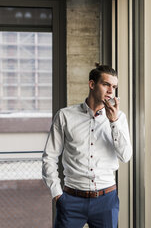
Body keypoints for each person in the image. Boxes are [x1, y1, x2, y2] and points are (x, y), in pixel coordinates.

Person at [42, 64, 132, 228]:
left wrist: (113, 122)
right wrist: (57, 194)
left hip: (106, 200)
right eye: (106, 84)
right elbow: (49, 157)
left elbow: (125, 156)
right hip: (71, 200)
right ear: (92, 84)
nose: (111, 91)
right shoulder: (65, 116)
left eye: (114, 87)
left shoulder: (120, 118)